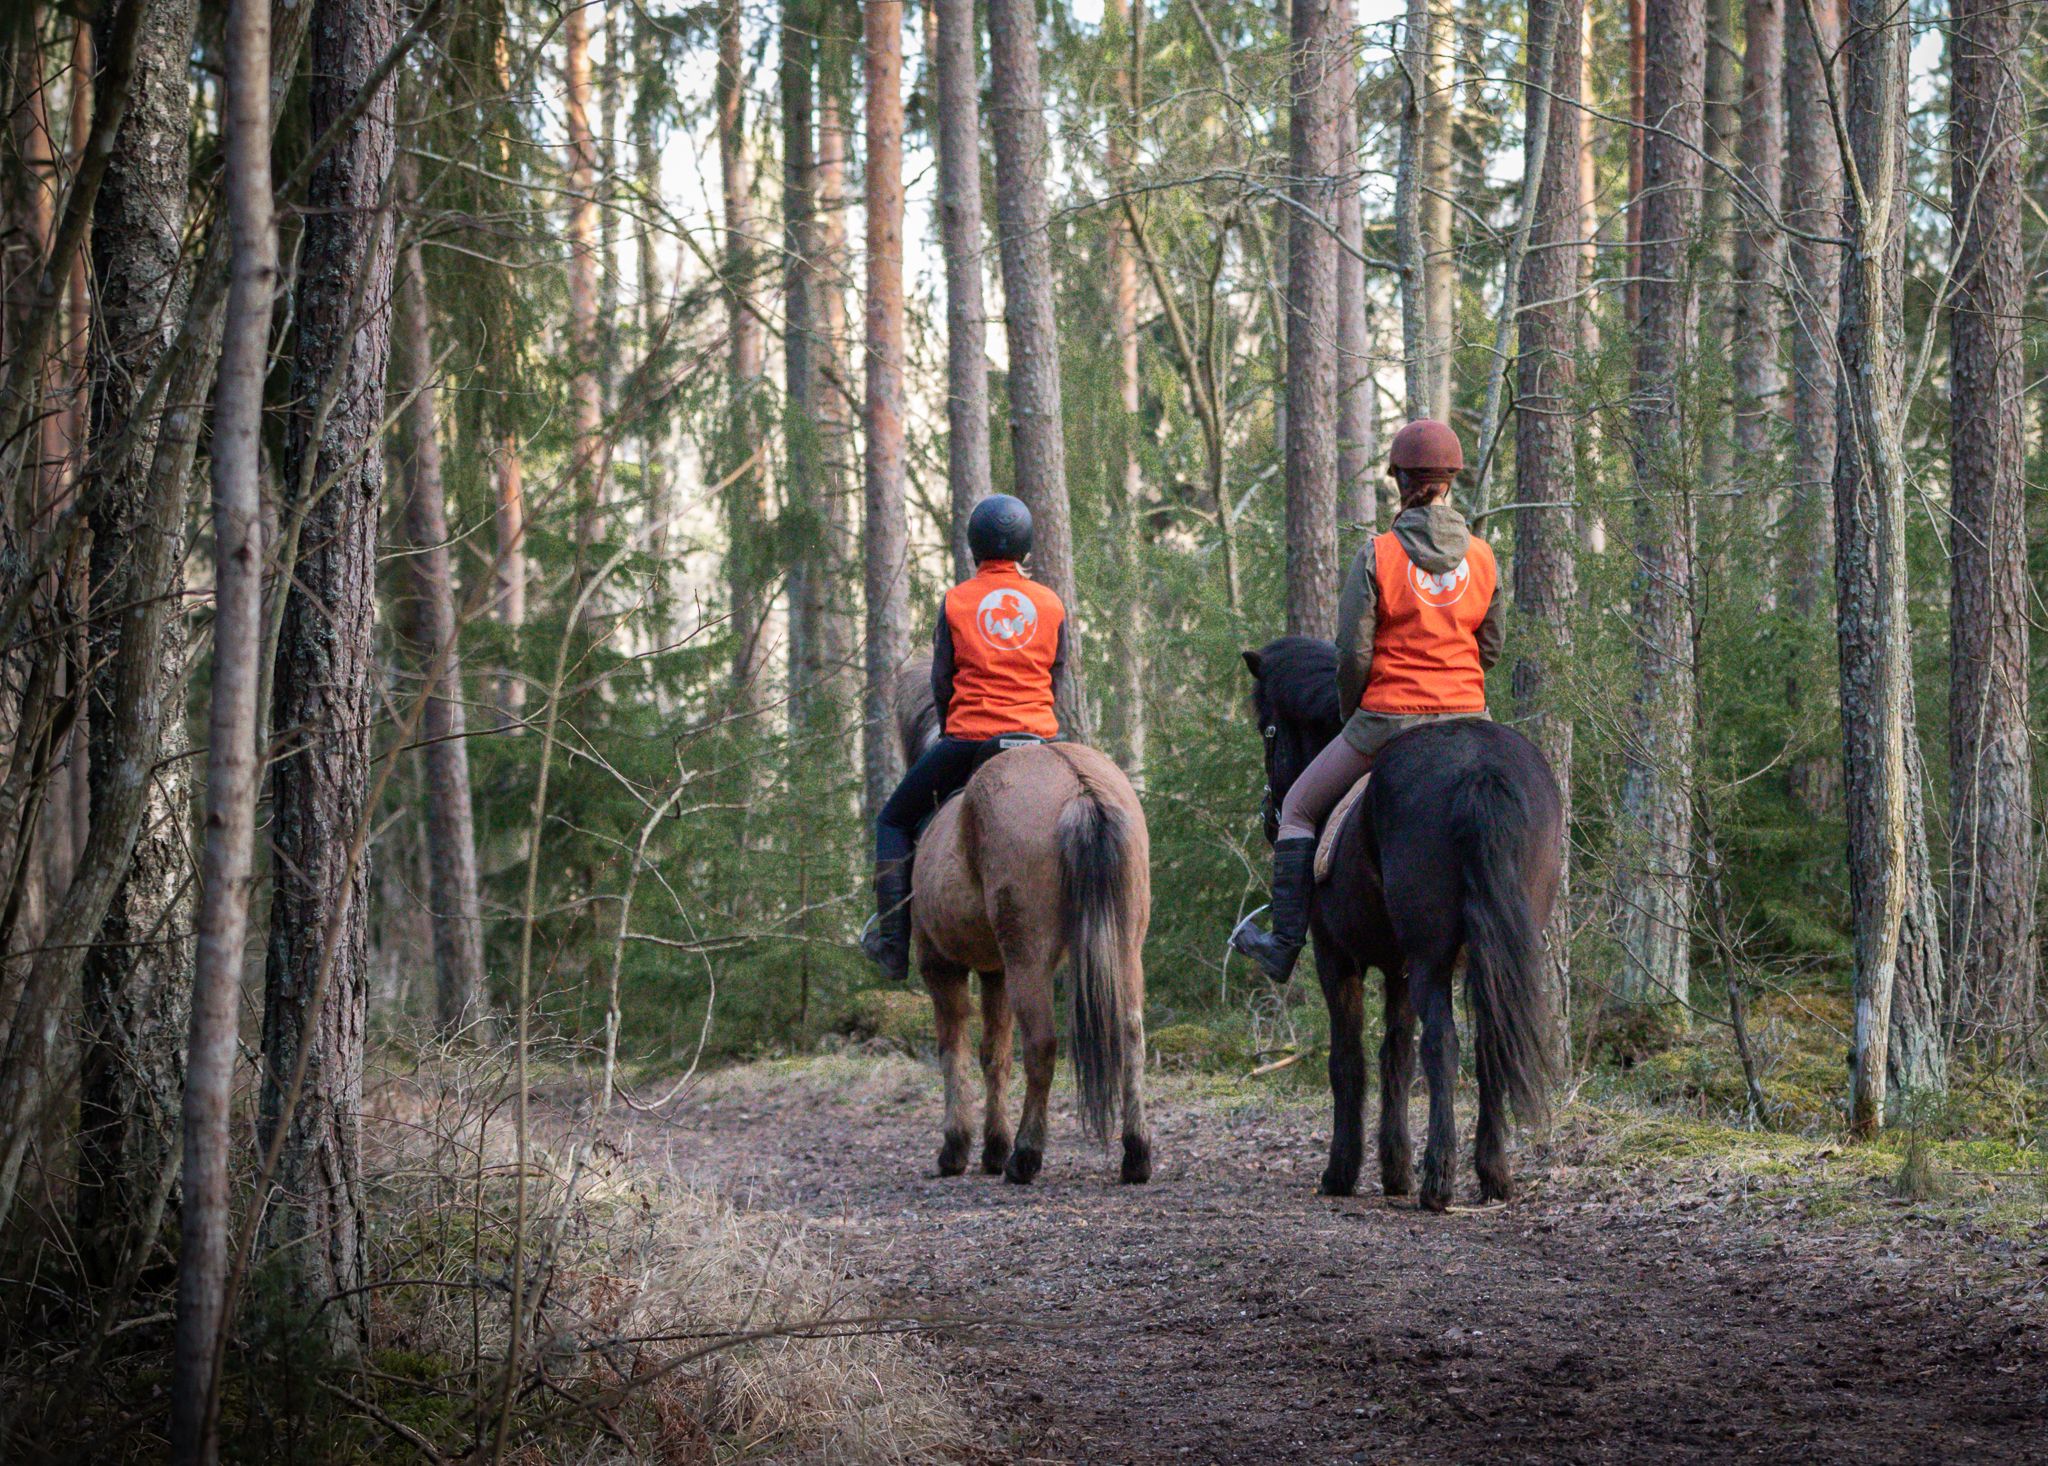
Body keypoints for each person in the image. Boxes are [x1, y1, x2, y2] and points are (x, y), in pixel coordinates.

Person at [1231, 418, 1504, 982]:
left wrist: (1353, 711)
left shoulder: (1377, 555)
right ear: (1452, 481)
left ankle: (1283, 946)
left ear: (1399, 481)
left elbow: (1353, 655)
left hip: (1390, 721)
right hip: (1470, 718)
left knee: (1300, 809)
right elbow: (1491, 647)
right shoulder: (1482, 557)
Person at [860, 494, 1068, 979]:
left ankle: (893, 944)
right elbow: (1057, 673)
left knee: (892, 820)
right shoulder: (1050, 603)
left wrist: (958, 715)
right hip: (1039, 739)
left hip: (970, 741)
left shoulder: (957, 600)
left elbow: (940, 680)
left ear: (974, 545)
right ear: (1026, 546)